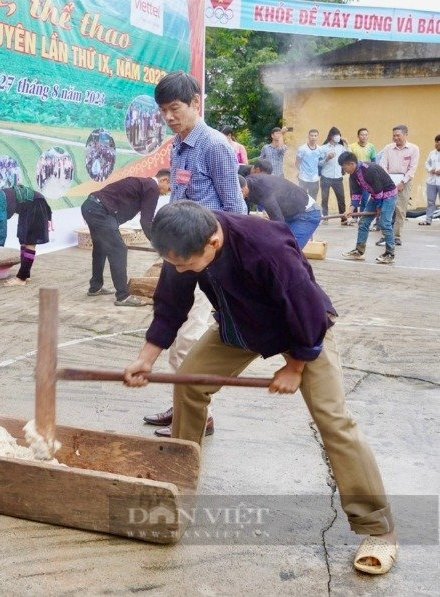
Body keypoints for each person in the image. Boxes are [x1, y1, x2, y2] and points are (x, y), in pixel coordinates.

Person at [125, 201, 397, 576]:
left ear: (214, 241)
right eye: (175, 264)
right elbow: (171, 305)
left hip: (301, 332)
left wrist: (296, 365)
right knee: (189, 383)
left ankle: (379, 529)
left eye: (186, 264)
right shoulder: (182, 246)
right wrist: (147, 358)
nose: (181, 270)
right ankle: (180, 487)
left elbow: (309, 311)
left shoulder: (265, 248)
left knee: (334, 420)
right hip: (238, 327)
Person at [141, 70, 246, 436]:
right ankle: (183, 406)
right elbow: (178, 200)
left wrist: (227, 264)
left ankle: (197, 417)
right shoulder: (179, 145)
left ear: (196, 103)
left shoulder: (215, 146)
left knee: (188, 340)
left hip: (208, 259)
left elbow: (234, 209)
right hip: (181, 256)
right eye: (163, 111)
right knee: (174, 327)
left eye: (174, 109)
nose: (169, 117)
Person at [80, 172, 170, 306]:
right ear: (164, 180)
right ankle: (123, 296)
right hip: (100, 210)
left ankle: (95, 287)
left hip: (91, 206)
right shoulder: (152, 187)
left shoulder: (144, 184)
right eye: (169, 188)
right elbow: (146, 221)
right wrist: (158, 245)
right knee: (119, 249)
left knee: (101, 247)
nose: (167, 193)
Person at [339, 151, 398, 265]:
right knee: (363, 222)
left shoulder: (369, 169)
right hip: (376, 196)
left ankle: (390, 253)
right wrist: (351, 209)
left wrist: (379, 207)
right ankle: (359, 251)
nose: (344, 171)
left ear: (351, 164)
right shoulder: (353, 175)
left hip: (388, 195)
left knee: (385, 223)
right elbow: (356, 193)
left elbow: (378, 189)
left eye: (344, 167)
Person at [241, 173, 321, 248]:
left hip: (307, 215)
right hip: (288, 215)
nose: (239, 195)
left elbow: (278, 220)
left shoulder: (263, 189)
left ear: (244, 187)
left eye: (241, 192)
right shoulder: (246, 182)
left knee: (288, 250)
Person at [378, 125, 420, 247]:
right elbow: (382, 164)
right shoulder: (388, 148)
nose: (395, 138)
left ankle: (396, 236)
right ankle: (384, 235)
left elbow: (412, 168)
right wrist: (388, 181)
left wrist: (403, 182)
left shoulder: (414, 149)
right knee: (386, 209)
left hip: (404, 183)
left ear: (405, 134)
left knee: (400, 210)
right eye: (394, 135)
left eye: (398, 135)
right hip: (388, 182)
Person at [318, 127, 349, 225]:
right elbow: (319, 163)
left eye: (339, 135)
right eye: (336, 135)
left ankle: (343, 218)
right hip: (325, 177)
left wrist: (347, 144)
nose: (338, 137)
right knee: (325, 198)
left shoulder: (341, 148)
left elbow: (349, 156)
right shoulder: (323, 148)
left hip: (338, 177)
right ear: (331, 136)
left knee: (341, 199)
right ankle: (325, 218)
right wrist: (327, 158)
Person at [349, 128, 377, 216]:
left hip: (366, 176)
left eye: (366, 135)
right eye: (362, 134)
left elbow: (373, 161)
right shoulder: (352, 146)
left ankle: (362, 216)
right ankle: (354, 216)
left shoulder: (371, 147)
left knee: (365, 198)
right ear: (358, 136)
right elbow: (350, 160)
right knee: (354, 195)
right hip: (354, 175)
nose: (364, 136)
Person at [296, 129, 322, 201]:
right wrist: (300, 171)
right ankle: (302, 212)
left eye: (315, 136)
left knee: (313, 200)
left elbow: (321, 163)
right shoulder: (302, 149)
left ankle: (311, 212)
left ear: (317, 137)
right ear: (308, 136)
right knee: (301, 198)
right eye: (311, 135)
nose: (313, 137)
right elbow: (297, 163)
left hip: (315, 179)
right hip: (303, 178)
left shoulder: (320, 149)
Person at [422, 134, 440, 226]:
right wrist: (430, 169)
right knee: (430, 201)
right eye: (436, 142)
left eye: (438, 143)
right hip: (431, 181)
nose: (436, 144)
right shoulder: (432, 153)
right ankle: (428, 220)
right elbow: (426, 163)